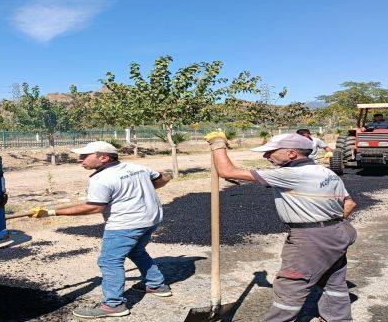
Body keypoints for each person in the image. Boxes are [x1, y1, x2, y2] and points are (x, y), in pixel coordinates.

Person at [205, 132, 357, 322]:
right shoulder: (326, 172)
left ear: (291, 154)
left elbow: (227, 171)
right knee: (333, 281)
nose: (266, 156)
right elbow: (350, 204)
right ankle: (337, 318)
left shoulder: (291, 173)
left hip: (311, 238)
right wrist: (327, 225)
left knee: (291, 285)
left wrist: (218, 144)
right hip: (339, 231)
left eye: (271, 152)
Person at [28, 141, 172, 319]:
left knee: (109, 261)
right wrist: (136, 191)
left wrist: (51, 212)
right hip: (151, 219)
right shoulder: (137, 168)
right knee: (137, 250)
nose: (80, 160)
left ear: (104, 157)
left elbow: (94, 208)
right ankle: (156, 284)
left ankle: (113, 305)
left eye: (84, 156)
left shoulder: (100, 179)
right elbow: (163, 179)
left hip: (125, 225)